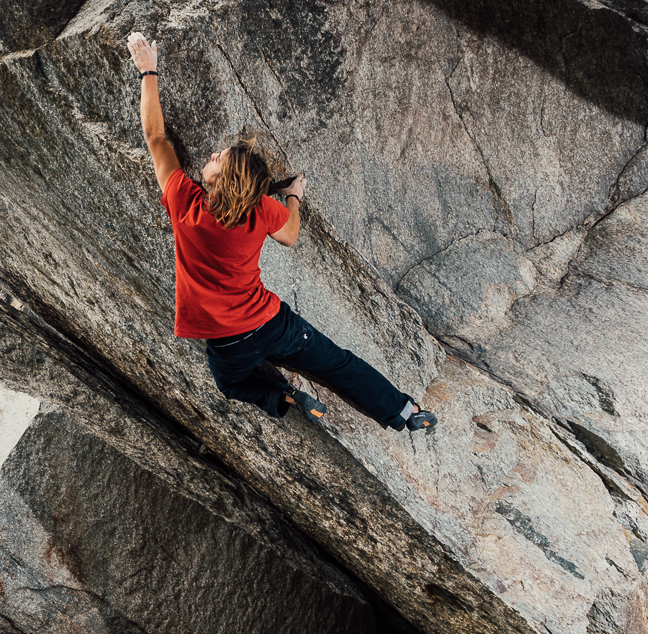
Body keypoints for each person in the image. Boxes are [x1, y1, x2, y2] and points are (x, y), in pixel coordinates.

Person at [128, 31, 438, 433]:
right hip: (273, 322)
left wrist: (147, 70)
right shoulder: (261, 210)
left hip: (229, 343)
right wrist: (293, 197)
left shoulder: (185, 202)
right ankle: (405, 413)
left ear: (218, 182)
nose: (211, 155)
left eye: (217, 159)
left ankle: (287, 397)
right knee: (338, 364)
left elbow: (155, 136)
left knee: (232, 384)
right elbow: (290, 235)